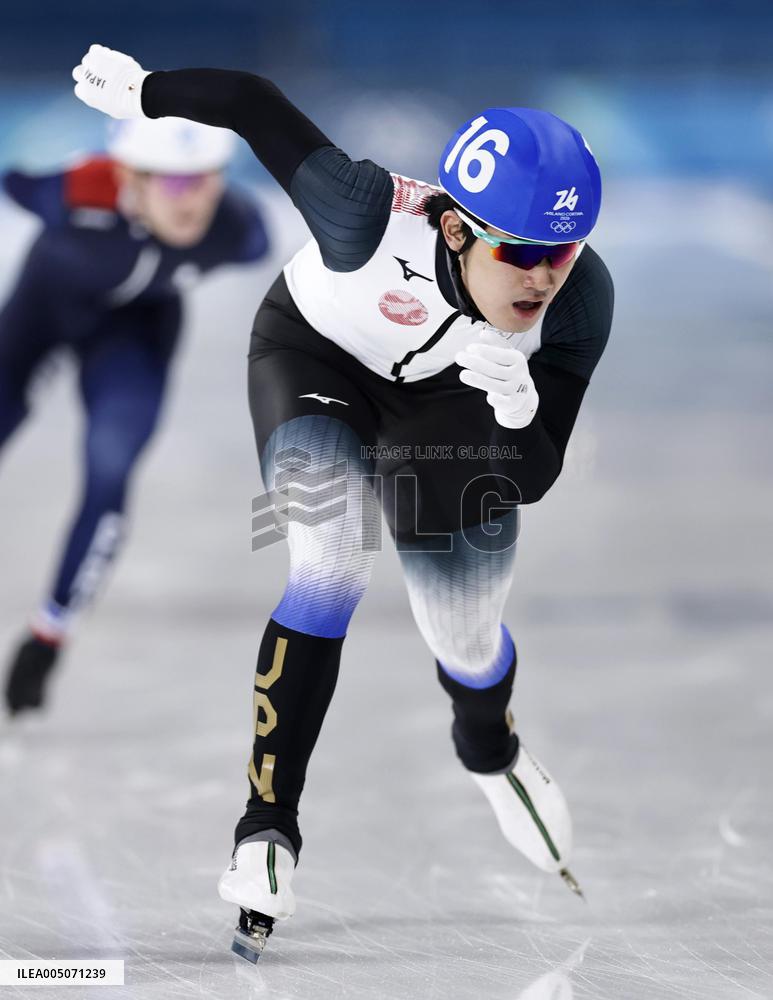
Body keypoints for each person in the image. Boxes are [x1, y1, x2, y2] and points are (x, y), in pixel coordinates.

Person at [71, 45, 614, 961]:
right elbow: (250, 100)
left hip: (452, 407)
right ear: (454, 232)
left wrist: (518, 408)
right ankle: (265, 827)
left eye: (562, 251)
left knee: (465, 638)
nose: (543, 276)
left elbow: (532, 474)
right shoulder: (363, 211)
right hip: (314, 361)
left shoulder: (579, 299)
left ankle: (490, 751)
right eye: (521, 251)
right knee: (329, 560)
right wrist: (144, 92)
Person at [1, 113, 270, 715]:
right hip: (40, 314)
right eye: (174, 183)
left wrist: (49, 638)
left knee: (111, 463)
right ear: (129, 176)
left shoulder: (238, 229)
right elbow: (12, 180)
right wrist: (80, 172)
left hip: (133, 333)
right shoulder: (74, 197)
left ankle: (50, 632)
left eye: (206, 179)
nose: (193, 200)